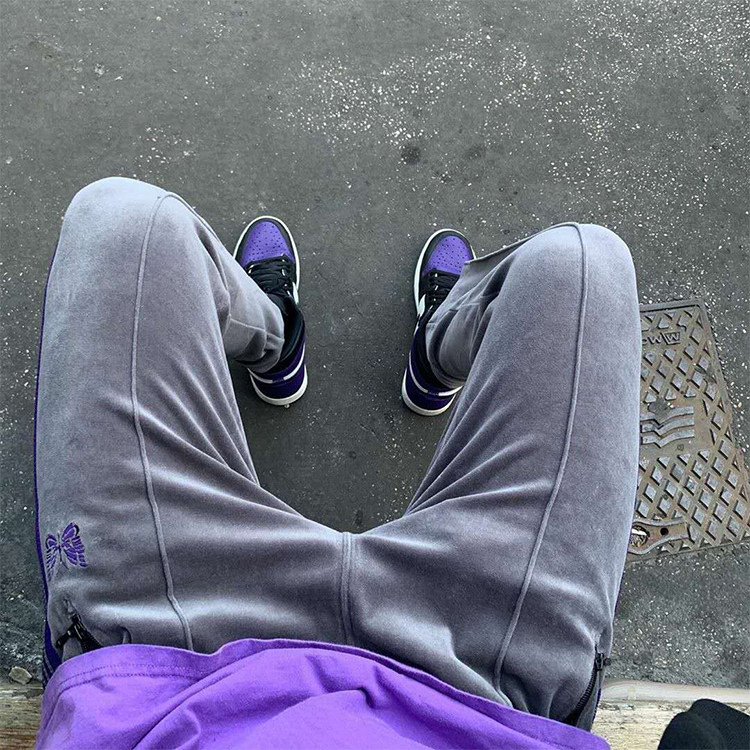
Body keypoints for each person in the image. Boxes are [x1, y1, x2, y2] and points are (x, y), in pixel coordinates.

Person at [34, 177, 641, 749]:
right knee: (580, 263)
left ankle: (278, 336)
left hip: (167, 673)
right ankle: (431, 346)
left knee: (124, 220)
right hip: (488, 693)